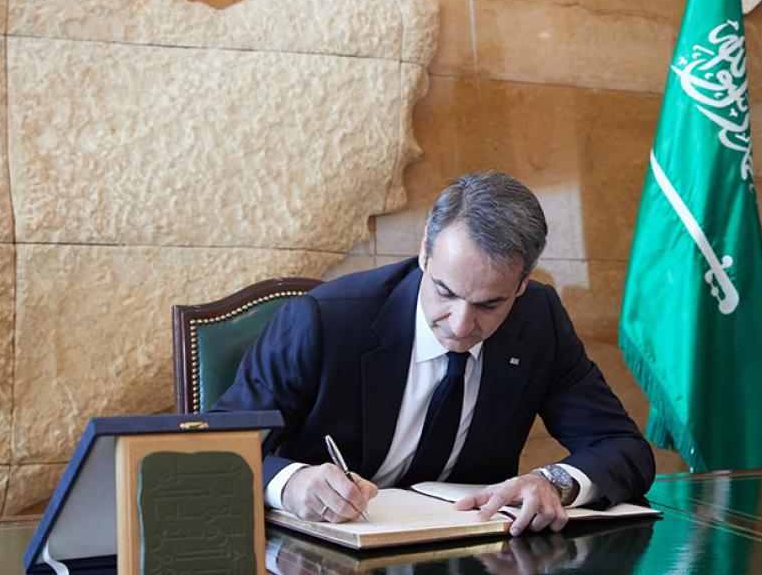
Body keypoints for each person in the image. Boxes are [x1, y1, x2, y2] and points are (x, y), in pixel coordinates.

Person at [212, 171, 654, 535]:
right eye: (445, 292)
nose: (461, 325)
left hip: (469, 556)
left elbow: (622, 447)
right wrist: (289, 484)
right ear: (425, 251)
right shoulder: (323, 321)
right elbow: (215, 451)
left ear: (522, 284)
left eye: (489, 305)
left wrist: (554, 482)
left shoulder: (539, 321)